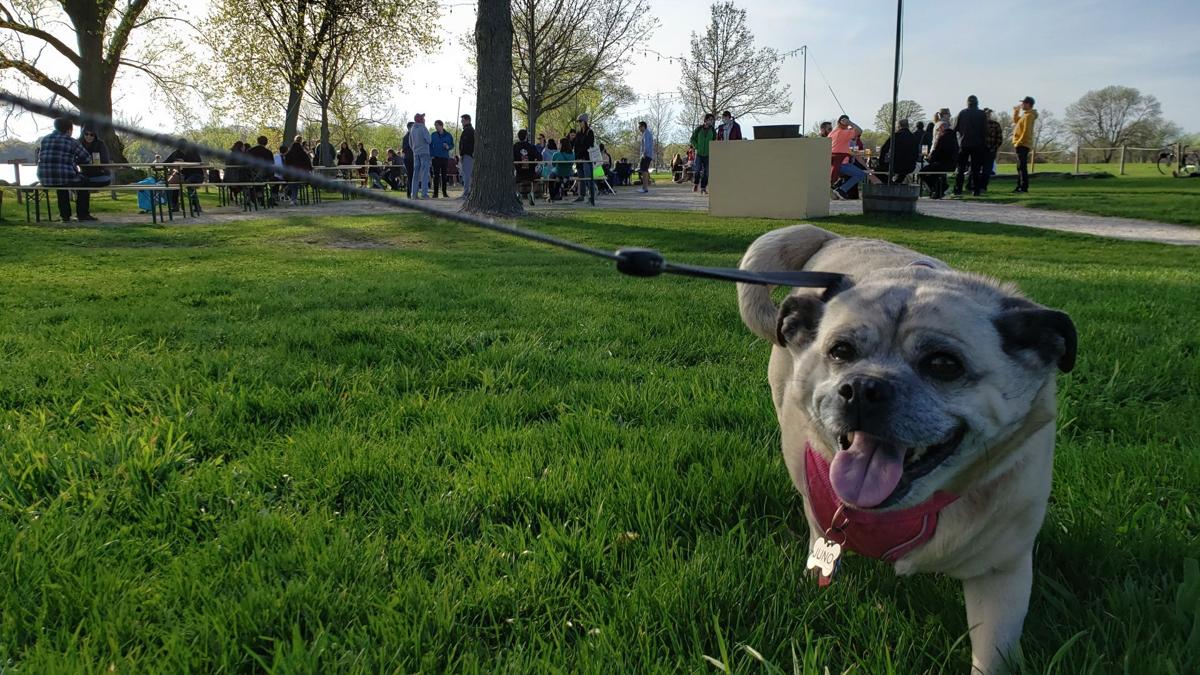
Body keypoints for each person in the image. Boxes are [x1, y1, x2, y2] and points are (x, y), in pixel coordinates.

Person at [36, 116, 92, 222]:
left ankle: (65, 216)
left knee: (61, 187)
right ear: (68, 130)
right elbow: (86, 158)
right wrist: (75, 160)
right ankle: (82, 214)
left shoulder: (45, 139)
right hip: (64, 177)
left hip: (44, 178)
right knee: (85, 182)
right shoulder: (71, 141)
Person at [953, 95, 988, 197]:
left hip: (964, 144)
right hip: (977, 144)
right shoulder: (982, 114)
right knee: (975, 169)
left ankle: (958, 189)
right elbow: (985, 130)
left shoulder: (962, 113)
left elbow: (956, 128)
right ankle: (975, 190)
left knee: (961, 169)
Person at [828, 114, 865, 200]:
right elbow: (859, 131)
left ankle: (836, 187)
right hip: (842, 162)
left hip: (833, 162)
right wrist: (850, 122)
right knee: (861, 174)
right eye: (846, 124)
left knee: (849, 174)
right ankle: (842, 189)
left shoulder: (832, 133)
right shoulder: (842, 133)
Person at [164, 137, 205, 213]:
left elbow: (199, 163)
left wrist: (184, 161)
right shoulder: (176, 153)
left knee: (189, 183)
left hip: (196, 175)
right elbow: (166, 162)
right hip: (184, 176)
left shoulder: (193, 152)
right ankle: (175, 205)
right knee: (174, 183)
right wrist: (173, 163)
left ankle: (196, 206)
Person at [78, 127, 112, 214]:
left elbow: (105, 162)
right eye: (86, 134)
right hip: (85, 175)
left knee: (83, 184)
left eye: (92, 134)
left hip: (101, 175)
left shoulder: (100, 144)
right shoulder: (78, 144)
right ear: (83, 134)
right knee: (82, 184)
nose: (89, 136)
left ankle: (83, 214)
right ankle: (82, 214)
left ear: (95, 135)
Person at [922, 122, 958, 199]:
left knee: (922, 172)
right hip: (952, 164)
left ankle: (937, 189)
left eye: (938, 129)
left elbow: (936, 152)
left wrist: (930, 158)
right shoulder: (954, 137)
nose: (937, 131)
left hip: (943, 164)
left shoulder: (942, 137)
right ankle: (939, 190)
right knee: (934, 173)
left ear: (942, 128)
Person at [879, 119, 919, 184]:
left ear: (898, 126)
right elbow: (917, 153)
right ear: (908, 126)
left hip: (895, 166)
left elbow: (884, 149)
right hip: (910, 166)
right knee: (903, 172)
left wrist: (881, 162)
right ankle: (897, 183)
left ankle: (891, 183)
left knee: (877, 170)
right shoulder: (914, 137)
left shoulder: (896, 136)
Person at [1012, 96, 1038, 193]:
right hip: (1020, 144)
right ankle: (1019, 186)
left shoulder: (1029, 116)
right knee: (1019, 166)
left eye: (1023, 103)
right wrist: (1016, 111)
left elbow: (1026, 131)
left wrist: (1019, 142)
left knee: (1022, 166)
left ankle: (1023, 187)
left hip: (1023, 144)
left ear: (1028, 104)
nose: (1022, 105)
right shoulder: (1025, 115)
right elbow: (1015, 121)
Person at [689, 113, 716, 194]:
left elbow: (715, 140)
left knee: (706, 172)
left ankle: (703, 188)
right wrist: (696, 146)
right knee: (697, 170)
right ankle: (696, 184)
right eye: (710, 119)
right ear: (706, 120)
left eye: (712, 120)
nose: (711, 121)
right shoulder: (699, 129)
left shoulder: (713, 130)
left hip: (708, 154)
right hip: (699, 154)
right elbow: (692, 139)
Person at [572, 113, 596, 205]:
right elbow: (576, 145)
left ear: (585, 121)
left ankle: (591, 196)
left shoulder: (590, 132)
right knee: (581, 178)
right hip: (579, 158)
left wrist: (581, 154)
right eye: (578, 121)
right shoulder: (578, 133)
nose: (579, 123)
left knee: (588, 177)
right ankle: (581, 195)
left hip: (586, 158)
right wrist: (577, 156)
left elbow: (588, 145)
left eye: (580, 121)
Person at [283, 134, 313, 205]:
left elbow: (286, 162)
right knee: (297, 184)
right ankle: (293, 198)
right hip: (301, 174)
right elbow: (307, 161)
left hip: (291, 174)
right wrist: (310, 169)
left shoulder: (289, 152)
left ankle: (292, 197)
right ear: (301, 141)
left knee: (293, 184)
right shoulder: (302, 152)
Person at [408, 113, 432, 199]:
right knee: (425, 173)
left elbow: (410, 143)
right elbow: (429, 140)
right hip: (424, 152)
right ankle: (424, 194)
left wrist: (415, 149)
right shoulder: (423, 128)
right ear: (421, 120)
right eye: (423, 118)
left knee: (416, 174)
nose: (424, 119)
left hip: (416, 153)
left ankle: (414, 194)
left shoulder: (412, 129)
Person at [513, 129, 540, 206]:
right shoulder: (531, 146)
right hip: (531, 173)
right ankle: (532, 192)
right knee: (538, 178)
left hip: (519, 173)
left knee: (512, 179)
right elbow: (539, 158)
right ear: (526, 137)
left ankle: (518, 193)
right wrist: (534, 163)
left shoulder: (515, 146)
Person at [429, 119, 454, 198]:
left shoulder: (448, 135)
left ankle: (444, 193)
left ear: (441, 126)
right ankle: (435, 193)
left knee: (444, 176)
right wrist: (432, 154)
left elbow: (452, 145)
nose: (436, 127)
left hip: (444, 158)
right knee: (435, 176)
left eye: (437, 125)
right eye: (435, 126)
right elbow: (430, 146)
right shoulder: (433, 135)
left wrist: (448, 147)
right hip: (435, 158)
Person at [981, 108, 1003, 193]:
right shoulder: (980, 124)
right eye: (986, 114)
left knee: (987, 170)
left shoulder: (995, 124)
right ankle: (976, 186)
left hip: (991, 150)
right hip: (981, 150)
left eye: (989, 114)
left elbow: (999, 138)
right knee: (977, 169)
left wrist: (994, 147)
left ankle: (983, 187)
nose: (988, 115)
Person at [459, 114, 475, 199]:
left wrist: (461, 155)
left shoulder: (468, 130)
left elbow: (464, 145)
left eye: (462, 121)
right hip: (469, 155)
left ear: (467, 120)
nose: (461, 122)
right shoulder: (470, 130)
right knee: (468, 175)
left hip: (467, 155)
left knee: (467, 175)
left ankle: (466, 193)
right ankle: (468, 192)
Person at [637, 120, 653, 193]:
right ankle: (644, 187)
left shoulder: (646, 134)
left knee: (644, 171)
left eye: (639, 127)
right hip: (647, 155)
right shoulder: (646, 133)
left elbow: (646, 145)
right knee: (644, 171)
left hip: (646, 155)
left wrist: (644, 154)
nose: (639, 128)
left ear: (643, 127)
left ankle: (645, 188)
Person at [401, 122, 415, 198]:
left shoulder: (412, 136)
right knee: (410, 176)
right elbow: (405, 148)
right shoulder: (406, 137)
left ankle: (410, 193)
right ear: (410, 128)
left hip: (411, 158)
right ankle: (410, 193)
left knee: (412, 176)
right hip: (409, 159)